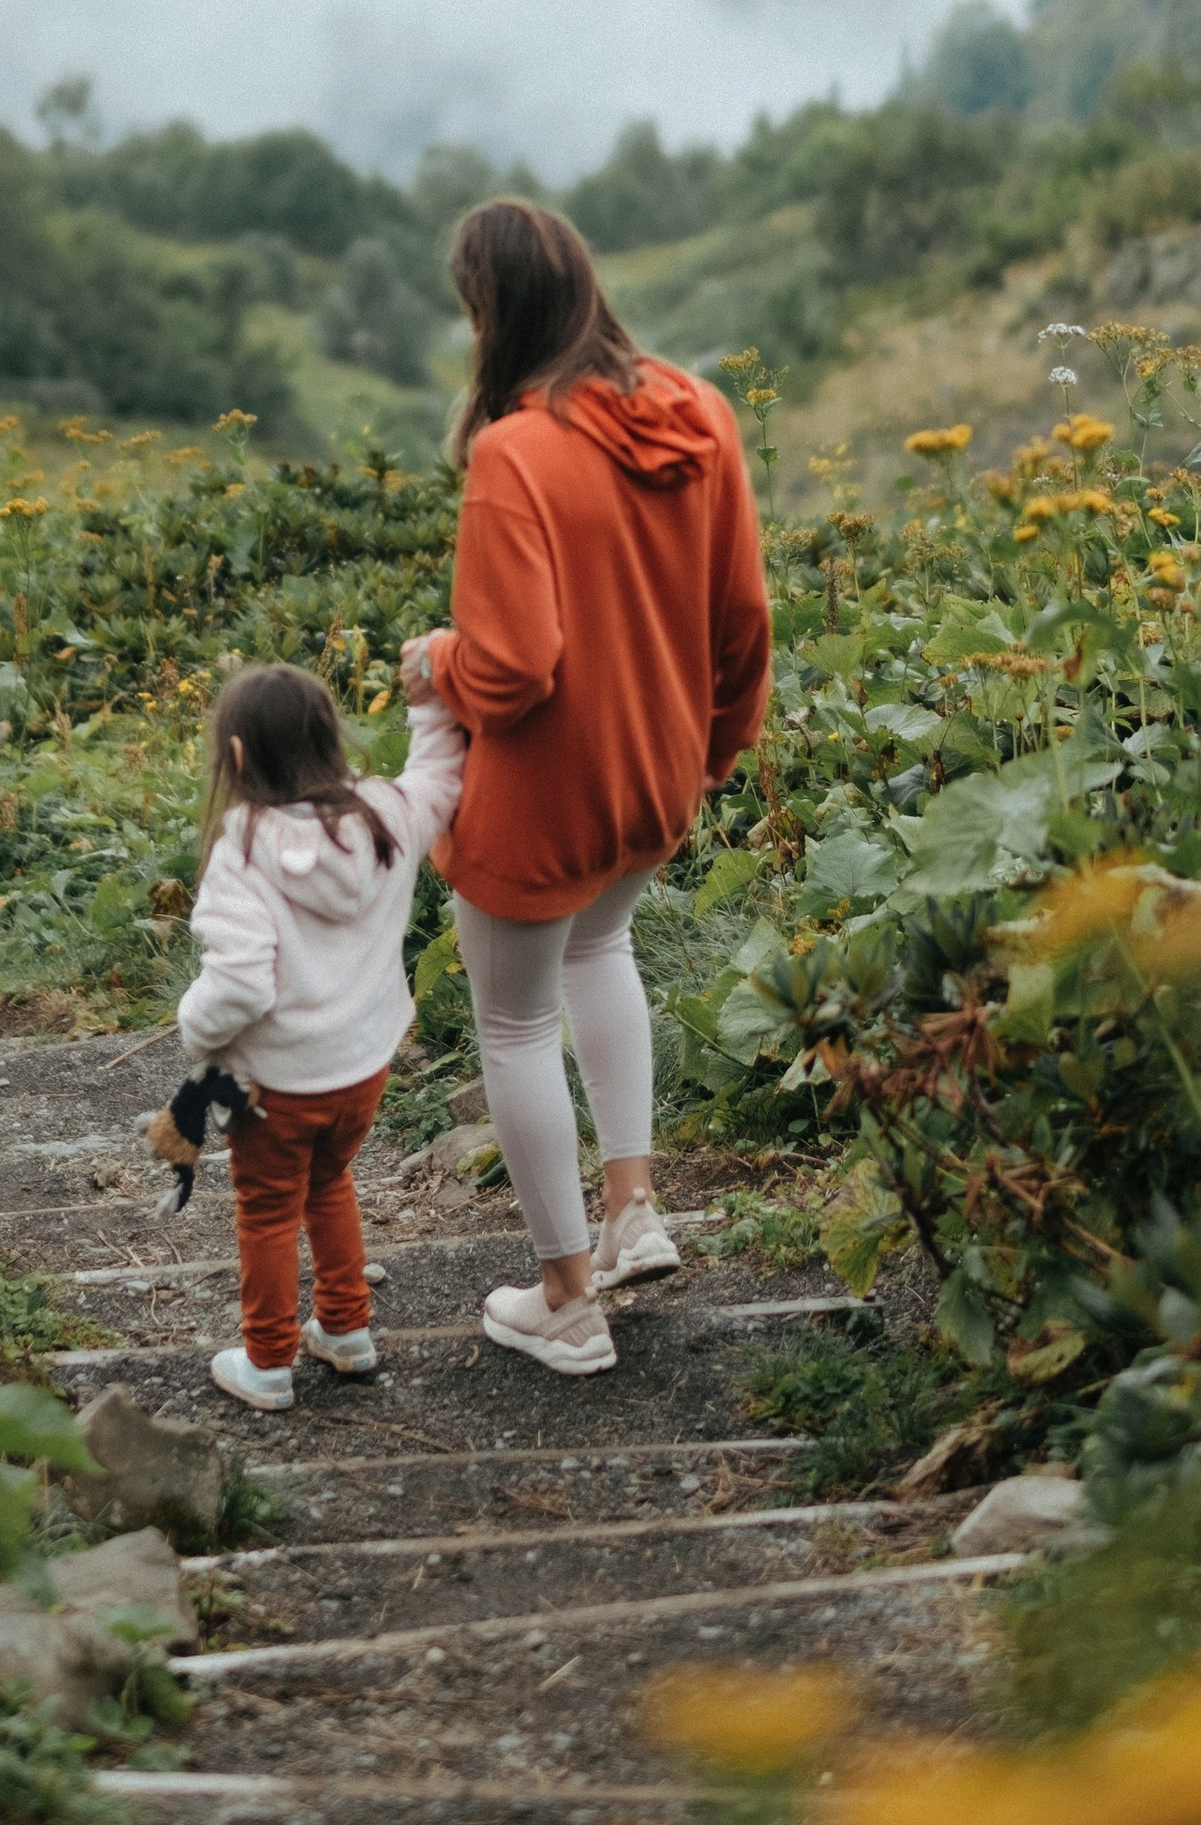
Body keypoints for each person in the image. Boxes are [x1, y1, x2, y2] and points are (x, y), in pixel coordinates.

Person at [405, 200, 771, 1377]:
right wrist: (704, 759)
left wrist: (431, 662)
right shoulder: (697, 413)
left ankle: (565, 1298)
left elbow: (509, 672)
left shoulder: (515, 450)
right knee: (599, 956)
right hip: (650, 783)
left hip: (540, 798)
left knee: (512, 1023)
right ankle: (630, 1212)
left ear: (488, 310)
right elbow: (743, 622)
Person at [170, 659, 464, 1412]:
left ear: (236, 758)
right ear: (331, 737)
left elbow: (239, 984)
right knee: (329, 1182)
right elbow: (438, 774)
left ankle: (267, 1362)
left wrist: (193, 1030)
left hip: (276, 1084)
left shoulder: (243, 846)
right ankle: (345, 1327)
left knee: (267, 1211)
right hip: (361, 1072)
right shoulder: (386, 813)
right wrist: (428, 703)